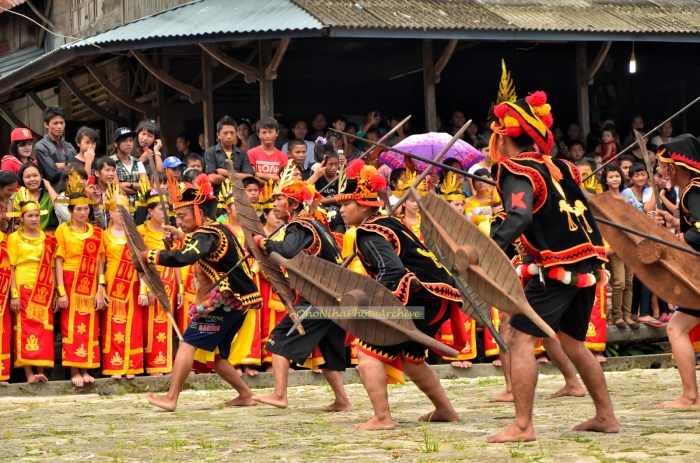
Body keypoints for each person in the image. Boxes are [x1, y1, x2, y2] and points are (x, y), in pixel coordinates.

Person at [486, 91, 618, 443]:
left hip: (557, 266)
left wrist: (488, 248)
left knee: (519, 338)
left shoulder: (515, 169)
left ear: (503, 136)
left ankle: (523, 426)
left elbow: (519, 215)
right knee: (574, 342)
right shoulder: (561, 166)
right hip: (589, 261)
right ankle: (606, 416)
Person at [337, 159, 464, 430]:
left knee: (367, 351)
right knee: (411, 358)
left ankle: (382, 418)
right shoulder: (388, 222)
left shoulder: (368, 233)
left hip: (421, 297)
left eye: (345, 204)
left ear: (362, 205)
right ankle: (445, 410)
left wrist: (372, 307)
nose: (341, 211)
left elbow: (391, 271)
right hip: (436, 297)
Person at [144, 176, 263, 411]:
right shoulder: (215, 229)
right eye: (176, 217)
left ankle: (171, 398)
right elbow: (196, 247)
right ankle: (246, 395)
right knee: (218, 357)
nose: (179, 221)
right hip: (239, 300)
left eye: (182, 216)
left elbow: (185, 256)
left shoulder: (207, 234)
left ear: (198, 213)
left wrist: (151, 256)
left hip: (227, 300)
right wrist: (181, 237)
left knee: (187, 343)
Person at [251, 179, 352, 412]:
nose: (274, 203)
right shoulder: (316, 225)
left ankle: (279, 395)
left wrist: (262, 242)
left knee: (278, 340)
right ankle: (343, 401)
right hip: (334, 297)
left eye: (279, 199)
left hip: (319, 297)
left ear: (293, 204)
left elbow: (286, 250)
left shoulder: (301, 226)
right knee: (327, 353)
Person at [654, 134, 700, 409]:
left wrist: (676, 240)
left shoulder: (694, 190)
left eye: (667, 167)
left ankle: (690, 396)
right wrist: (674, 223)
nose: (664, 173)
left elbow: (698, 233)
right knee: (676, 327)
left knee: (676, 328)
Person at [54, 172, 106, 387]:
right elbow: (58, 261)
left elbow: (101, 261)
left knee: (90, 326)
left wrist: (101, 287)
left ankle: (87, 367)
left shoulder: (95, 232)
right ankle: (75, 369)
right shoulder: (62, 231)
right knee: (72, 327)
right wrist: (61, 291)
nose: (83, 212)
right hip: (70, 281)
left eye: (86, 209)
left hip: (90, 282)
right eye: (79, 209)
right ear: (70, 211)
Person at [8, 187, 58, 383]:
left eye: (37, 215)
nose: (34, 219)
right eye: (30, 215)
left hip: (44, 288)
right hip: (23, 287)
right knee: (24, 329)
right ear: (21, 218)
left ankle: (41, 370)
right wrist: (14, 294)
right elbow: (10, 267)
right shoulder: (14, 239)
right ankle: (29, 373)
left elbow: (52, 266)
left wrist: (55, 291)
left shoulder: (48, 238)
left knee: (44, 330)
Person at [135, 177, 183, 375]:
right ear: (149, 211)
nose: (164, 213)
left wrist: (180, 288)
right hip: (152, 281)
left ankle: (166, 364)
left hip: (170, 281)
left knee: (166, 323)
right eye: (159, 209)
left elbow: (178, 260)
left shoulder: (172, 232)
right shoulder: (141, 232)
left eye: (166, 209)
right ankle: (154, 366)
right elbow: (139, 264)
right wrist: (145, 288)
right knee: (151, 325)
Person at [100, 182, 144, 379]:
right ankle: (115, 366)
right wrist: (101, 287)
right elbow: (100, 263)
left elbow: (143, 265)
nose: (120, 214)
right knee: (114, 325)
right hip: (113, 284)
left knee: (133, 325)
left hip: (133, 284)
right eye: (117, 210)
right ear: (110, 213)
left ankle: (132, 366)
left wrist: (144, 289)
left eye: (124, 210)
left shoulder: (136, 235)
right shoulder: (103, 235)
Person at [437, 171, 476, 368]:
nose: (460, 208)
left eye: (462, 204)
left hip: (465, 273)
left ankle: (466, 354)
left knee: (466, 312)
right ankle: (452, 355)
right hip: (445, 274)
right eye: (456, 204)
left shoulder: (468, 226)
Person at [602, 165, 637, 329]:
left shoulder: (627, 196)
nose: (615, 179)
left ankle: (628, 315)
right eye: (611, 177)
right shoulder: (603, 199)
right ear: (606, 180)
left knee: (630, 282)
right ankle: (617, 316)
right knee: (619, 282)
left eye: (617, 176)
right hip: (615, 244)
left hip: (630, 243)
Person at [204, 116, 254, 191]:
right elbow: (212, 178)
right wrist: (238, 177)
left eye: (232, 133)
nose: (229, 136)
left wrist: (225, 172)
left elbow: (249, 177)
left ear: (236, 133)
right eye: (225, 133)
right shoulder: (210, 152)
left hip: (239, 196)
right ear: (218, 135)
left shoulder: (242, 153)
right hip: (218, 196)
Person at [34, 106, 76, 190]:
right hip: (54, 193)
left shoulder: (69, 146)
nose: (59, 126)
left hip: (73, 190)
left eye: (62, 122)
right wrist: (69, 166)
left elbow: (79, 166)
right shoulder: (41, 147)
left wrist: (59, 165)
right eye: (55, 123)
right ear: (46, 124)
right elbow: (52, 174)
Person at [15, 162, 58, 231]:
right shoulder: (15, 197)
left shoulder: (49, 197)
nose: (32, 179)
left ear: (41, 177)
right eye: (27, 177)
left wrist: (49, 187)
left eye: (35, 175)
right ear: (22, 179)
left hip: (46, 237)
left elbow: (60, 207)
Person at [110, 127, 147, 207]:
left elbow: (146, 185)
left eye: (130, 140)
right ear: (116, 144)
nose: (128, 144)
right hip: (120, 208)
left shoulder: (137, 162)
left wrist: (130, 185)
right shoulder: (110, 162)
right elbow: (116, 187)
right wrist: (138, 189)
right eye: (124, 140)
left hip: (140, 209)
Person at [247, 117, 288, 184]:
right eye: (264, 132)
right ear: (258, 134)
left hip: (277, 194)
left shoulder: (283, 156)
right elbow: (252, 177)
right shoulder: (251, 153)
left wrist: (260, 175)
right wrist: (273, 181)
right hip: (257, 193)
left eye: (270, 132)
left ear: (277, 133)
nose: (267, 136)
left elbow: (283, 179)